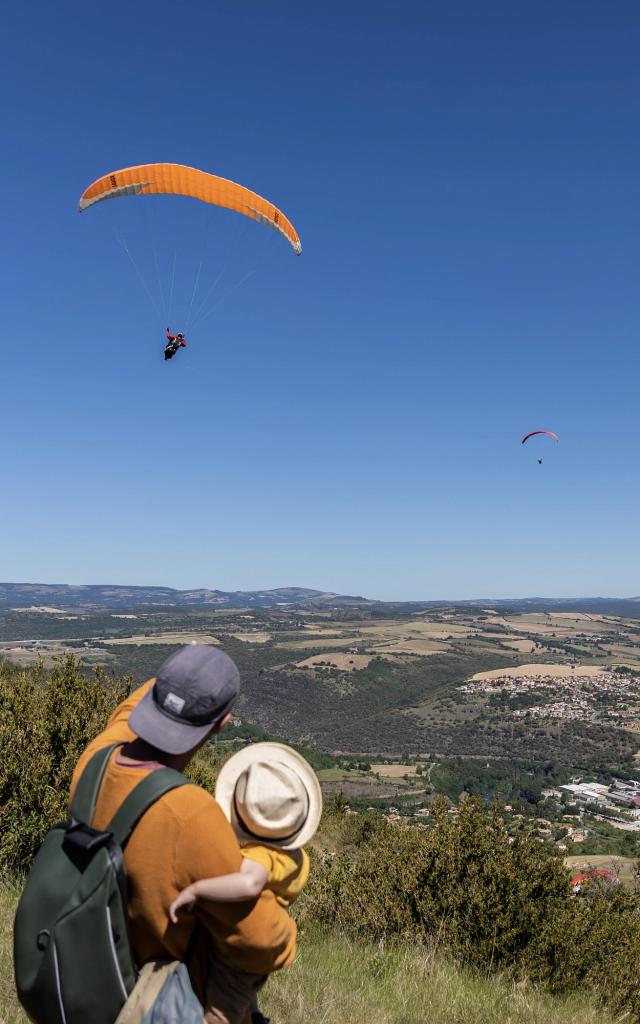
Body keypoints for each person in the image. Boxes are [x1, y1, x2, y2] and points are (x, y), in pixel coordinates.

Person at [70, 646, 297, 1024]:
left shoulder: (95, 758)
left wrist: (178, 678)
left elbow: (131, 711)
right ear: (223, 723)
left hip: (91, 973)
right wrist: (288, 932)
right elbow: (260, 942)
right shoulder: (190, 815)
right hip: (154, 998)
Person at [169, 743, 322, 1024]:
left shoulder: (260, 858)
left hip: (238, 957)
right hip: (261, 955)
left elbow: (251, 884)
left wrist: (196, 889)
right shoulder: (297, 858)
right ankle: (255, 1017)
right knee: (245, 998)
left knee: (218, 1014)